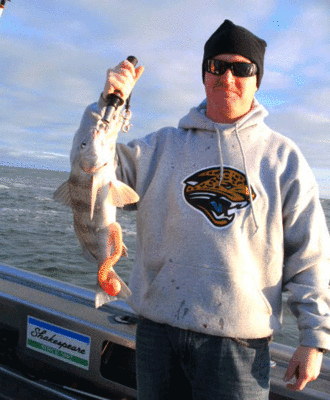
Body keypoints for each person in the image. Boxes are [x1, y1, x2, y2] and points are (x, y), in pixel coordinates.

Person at [72, 20, 330, 399]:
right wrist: (107, 106)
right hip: (158, 334)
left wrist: (314, 336)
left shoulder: (283, 158)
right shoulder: (161, 147)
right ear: (205, 74)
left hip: (237, 348)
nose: (227, 76)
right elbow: (89, 168)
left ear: (257, 80)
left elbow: (309, 254)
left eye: (241, 68)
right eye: (216, 66)